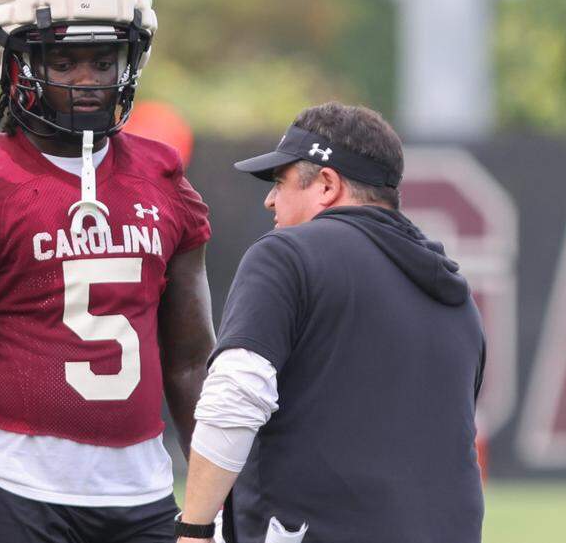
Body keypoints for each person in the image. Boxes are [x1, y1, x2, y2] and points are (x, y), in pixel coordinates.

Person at [0, 0, 216, 543]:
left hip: (145, 491)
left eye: (104, 61)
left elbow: (190, 363)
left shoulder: (162, 177)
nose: (87, 80)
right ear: (16, 62)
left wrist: (221, 502)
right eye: (63, 60)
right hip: (11, 489)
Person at [175, 102, 486, 543]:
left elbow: (234, 398)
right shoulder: (457, 298)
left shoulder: (286, 255)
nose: (270, 200)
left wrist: (194, 527)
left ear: (326, 184)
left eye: (280, 182)